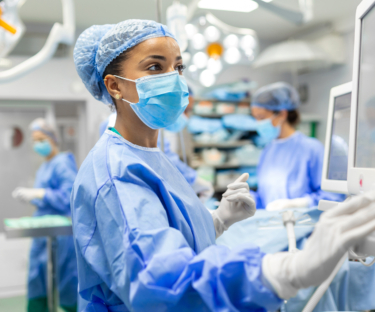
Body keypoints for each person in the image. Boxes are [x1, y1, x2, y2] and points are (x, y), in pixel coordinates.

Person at [71, 19, 375, 312]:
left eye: (178, 67)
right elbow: (159, 280)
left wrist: (218, 220)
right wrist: (289, 270)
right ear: (115, 86)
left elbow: (169, 236)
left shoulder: (151, 156)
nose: (174, 79)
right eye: (155, 67)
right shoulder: (116, 173)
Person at [12, 118, 78, 312]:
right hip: (43, 231)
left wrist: (40, 193)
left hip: (61, 234)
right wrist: (34, 198)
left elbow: (69, 196)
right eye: (34, 140)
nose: (37, 144)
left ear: (52, 139)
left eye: (41, 139)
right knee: (37, 277)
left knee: (65, 279)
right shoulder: (45, 166)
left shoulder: (62, 163)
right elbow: (48, 199)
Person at [251, 82, 345, 211]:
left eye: (261, 117)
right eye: (255, 117)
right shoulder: (267, 151)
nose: (258, 123)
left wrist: (300, 203)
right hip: (271, 225)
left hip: (304, 226)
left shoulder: (312, 149)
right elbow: (265, 197)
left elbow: (333, 197)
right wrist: (248, 199)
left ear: (282, 114)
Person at [99, 111, 214, 203]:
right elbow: (164, 158)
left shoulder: (111, 122)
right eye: (185, 110)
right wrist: (193, 179)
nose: (185, 116)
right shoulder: (142, 128)